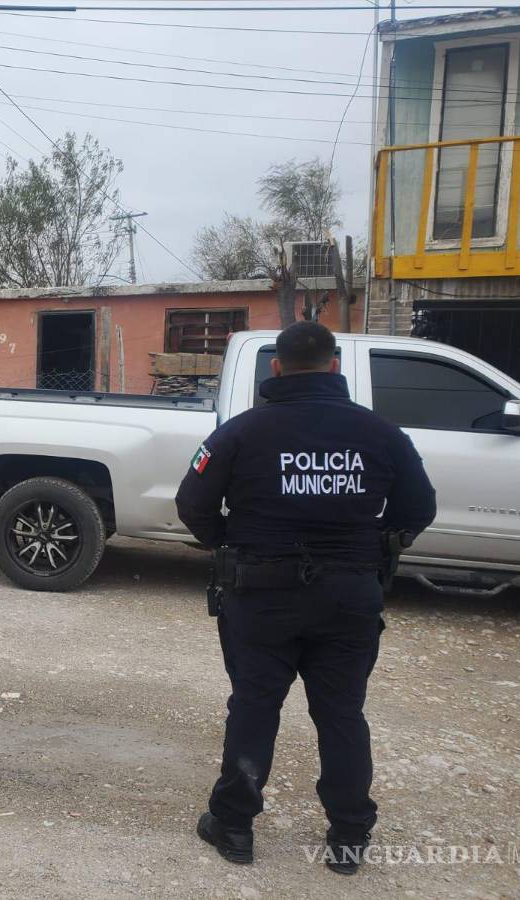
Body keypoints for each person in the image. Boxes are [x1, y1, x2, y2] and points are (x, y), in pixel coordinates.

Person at [175, 321, 436, 875]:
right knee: (342, 714)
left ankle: (235, 827)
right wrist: (374, 544)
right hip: (349, 597)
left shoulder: (242, 432)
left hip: (261, 595)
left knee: (254, 707)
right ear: (335, 367)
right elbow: (419, 510)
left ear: (277, 368)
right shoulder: (381, 434)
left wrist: (230, 544)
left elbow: (192, 503)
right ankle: (347, 838)